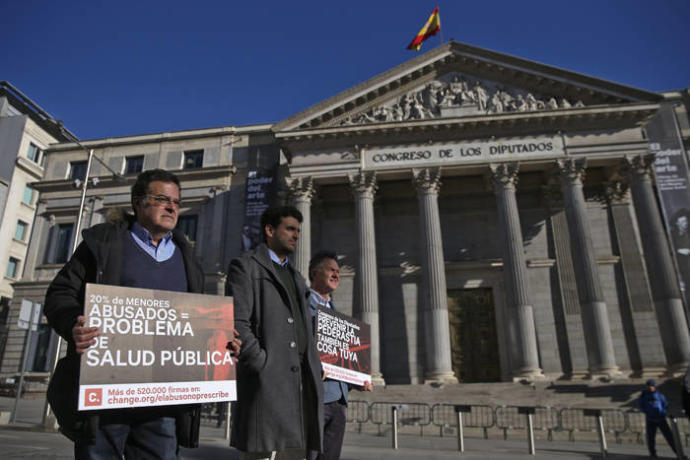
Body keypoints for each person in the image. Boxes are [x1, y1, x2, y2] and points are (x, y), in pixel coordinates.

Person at [44, 169, 240, 459]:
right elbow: (60, 294)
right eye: (162, 199)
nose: (172, 207)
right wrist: (74, 322)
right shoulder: (103, 245)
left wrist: (223, 342)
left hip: (163, 399)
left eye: (176, 201)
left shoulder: (189, 261)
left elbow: (194, 323)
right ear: (138, 203)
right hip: (106, 393)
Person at [227, 206, 324, 460]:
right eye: (290, 229)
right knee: (261, 454)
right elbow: (237, 322)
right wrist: (262, 363)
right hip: (266, 387)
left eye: (298, 231)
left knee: (294, 455)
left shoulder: (297, 277)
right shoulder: (246, 266)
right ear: (270, 230)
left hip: (300, 386)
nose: (296, 235)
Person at [306, 251, 372, 460]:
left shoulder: (337, 315)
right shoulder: (301, 306)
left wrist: (357, 380)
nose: (336, 274)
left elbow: (340, 361)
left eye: (338, 271)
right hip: (313, 399)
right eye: (331, 270)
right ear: (315, 273)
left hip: (338, 402)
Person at [638, 379, 677, 458]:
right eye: (649, 386)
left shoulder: (660, 395)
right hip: (650, 419)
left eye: (652, 386)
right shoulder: (644, 396)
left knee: (669, 437)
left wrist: (663, 412)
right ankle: (652, 453)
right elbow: (641, 406)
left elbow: (665, 404)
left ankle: (677, 452)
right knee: (651, 437)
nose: (651, 387)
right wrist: (647, 413)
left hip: (661, 418)